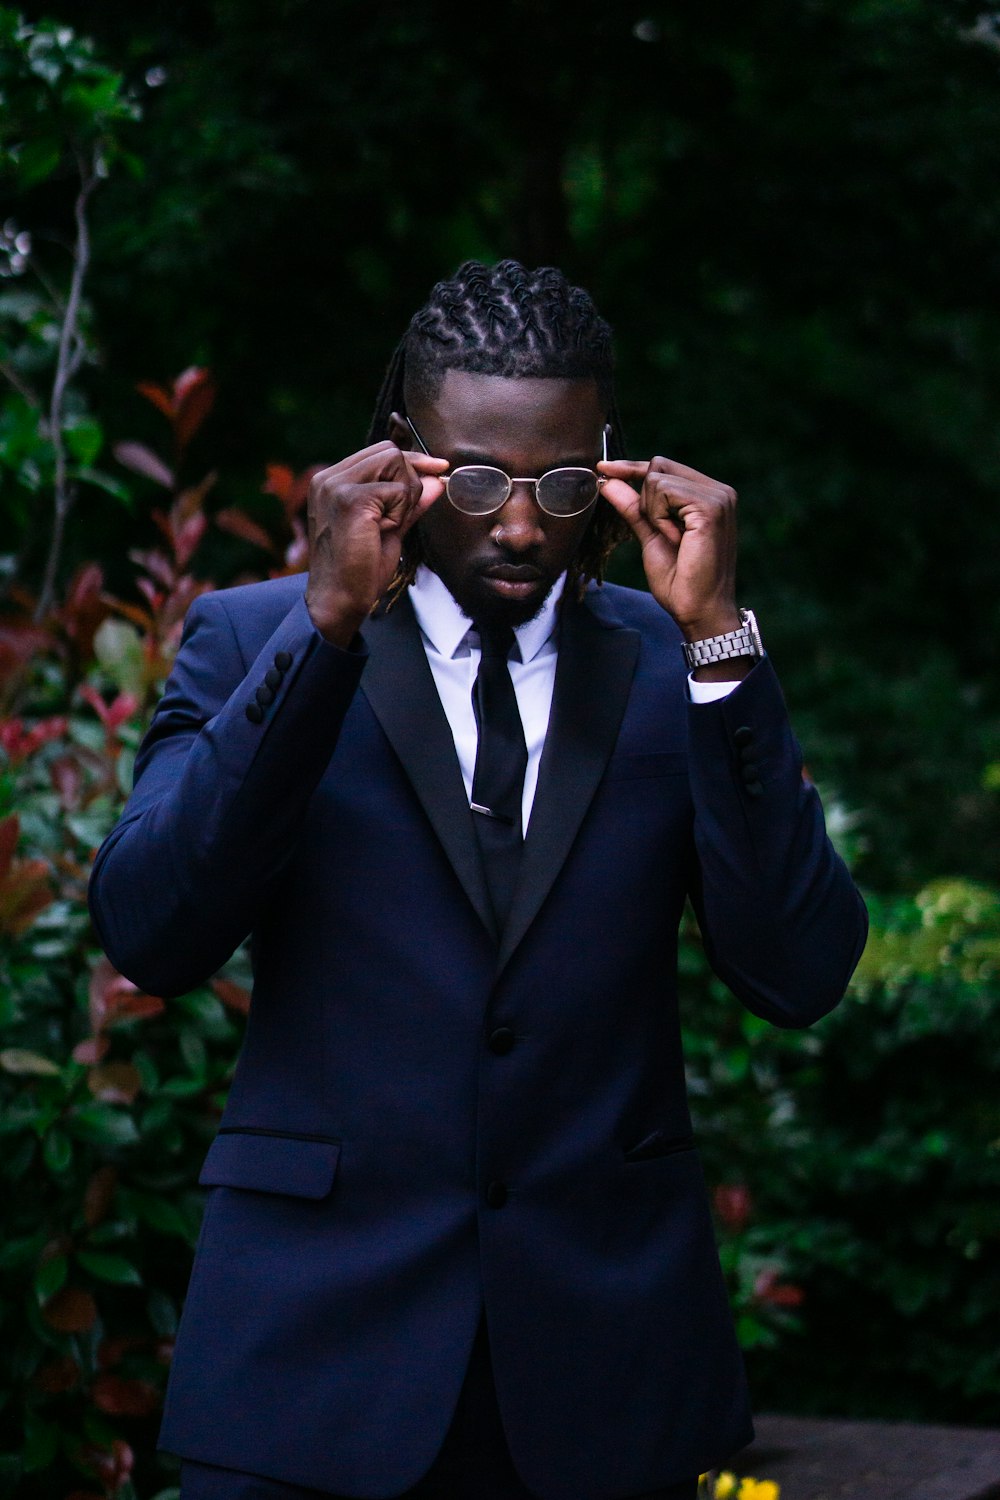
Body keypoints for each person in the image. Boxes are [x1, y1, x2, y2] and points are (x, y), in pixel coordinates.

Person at [89, 260, 868, 1500]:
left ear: (609, 465)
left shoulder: (680, 671)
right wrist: (326, 628)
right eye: (480, 479)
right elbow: (153, 929)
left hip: (606, 1381)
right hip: (309, 1373)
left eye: (559, 483)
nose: (518, 525)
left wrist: (719, 642)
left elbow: (800, 971)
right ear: (399, 456)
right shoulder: (255, 638)